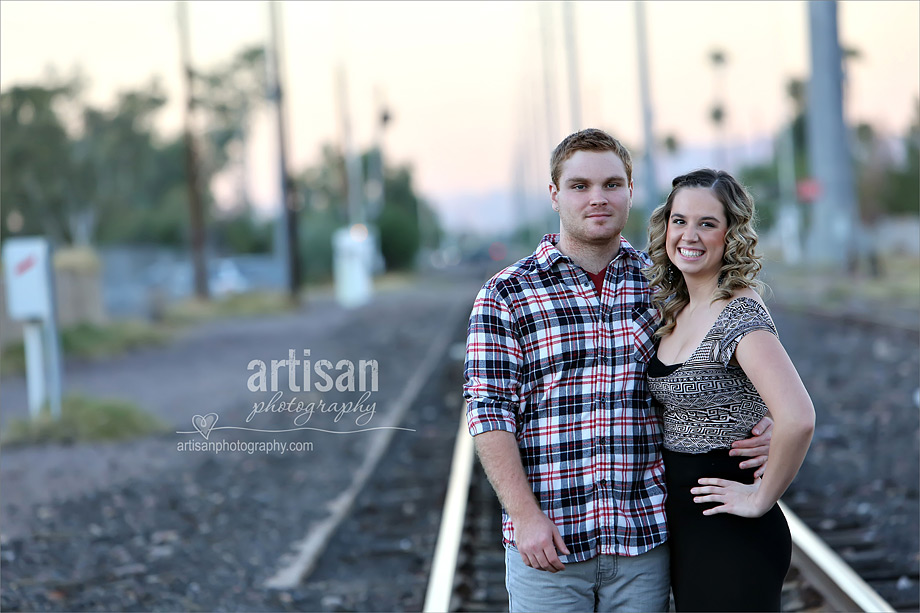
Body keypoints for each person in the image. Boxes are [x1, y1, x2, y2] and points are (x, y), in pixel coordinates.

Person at [463, 130, 773, 613]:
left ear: (630, 191)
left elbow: (731, 364)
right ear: (554, 195)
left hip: (643, 539)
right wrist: (524, 518)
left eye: (611, 184)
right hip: (550, 545)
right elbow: (489, 414)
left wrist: (767, 421)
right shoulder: (506, 294)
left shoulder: (666, 285)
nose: (597, 198)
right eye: (580, 186)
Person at [644, 168, 816, 612]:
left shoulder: (738, 314)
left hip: (732, 530)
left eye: (707, 223)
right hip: (687, 526)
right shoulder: (676, 307)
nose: (690, 235)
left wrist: (760, 498)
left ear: (731, 234)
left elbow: (798, 417)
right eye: (679, 221)